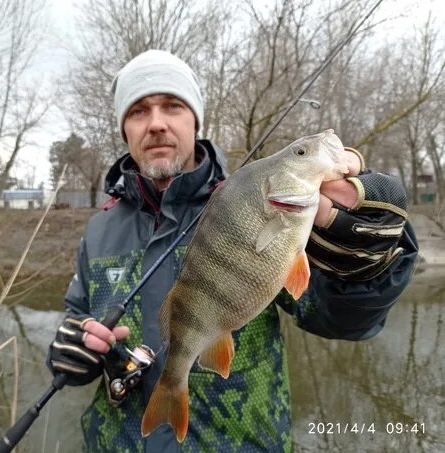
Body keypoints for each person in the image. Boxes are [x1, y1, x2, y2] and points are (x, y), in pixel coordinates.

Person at [47, 50, 418, 452]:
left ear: (195, 121)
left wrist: (365, 268)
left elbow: (340, 321)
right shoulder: (98, 229)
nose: (156, 123)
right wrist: (71, 351)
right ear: (124, 130)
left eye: (172, 106)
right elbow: (79, 317)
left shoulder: (251, 200)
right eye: (138, 111)